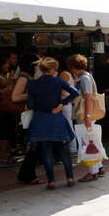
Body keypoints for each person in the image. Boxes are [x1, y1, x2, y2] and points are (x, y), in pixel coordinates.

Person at [27, 58, 80, 190]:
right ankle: (70, 177)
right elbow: (75, 93)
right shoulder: (58, 81)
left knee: (46, 151)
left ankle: (51, 181)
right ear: (53, 69)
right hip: (56, 118)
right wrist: (61, 104)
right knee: (63, 150)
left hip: (40, 119)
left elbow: (30, 104)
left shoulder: (33, 84)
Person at [70, 54, 106, 182]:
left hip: (86, 114)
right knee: (93, 140)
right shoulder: (88, 76)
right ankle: (99, 168)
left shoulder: (83, 78)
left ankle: (93, 172)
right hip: (89, 114)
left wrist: (87, 116)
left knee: (87, 142)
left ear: (74, 67)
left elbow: (88, 98)